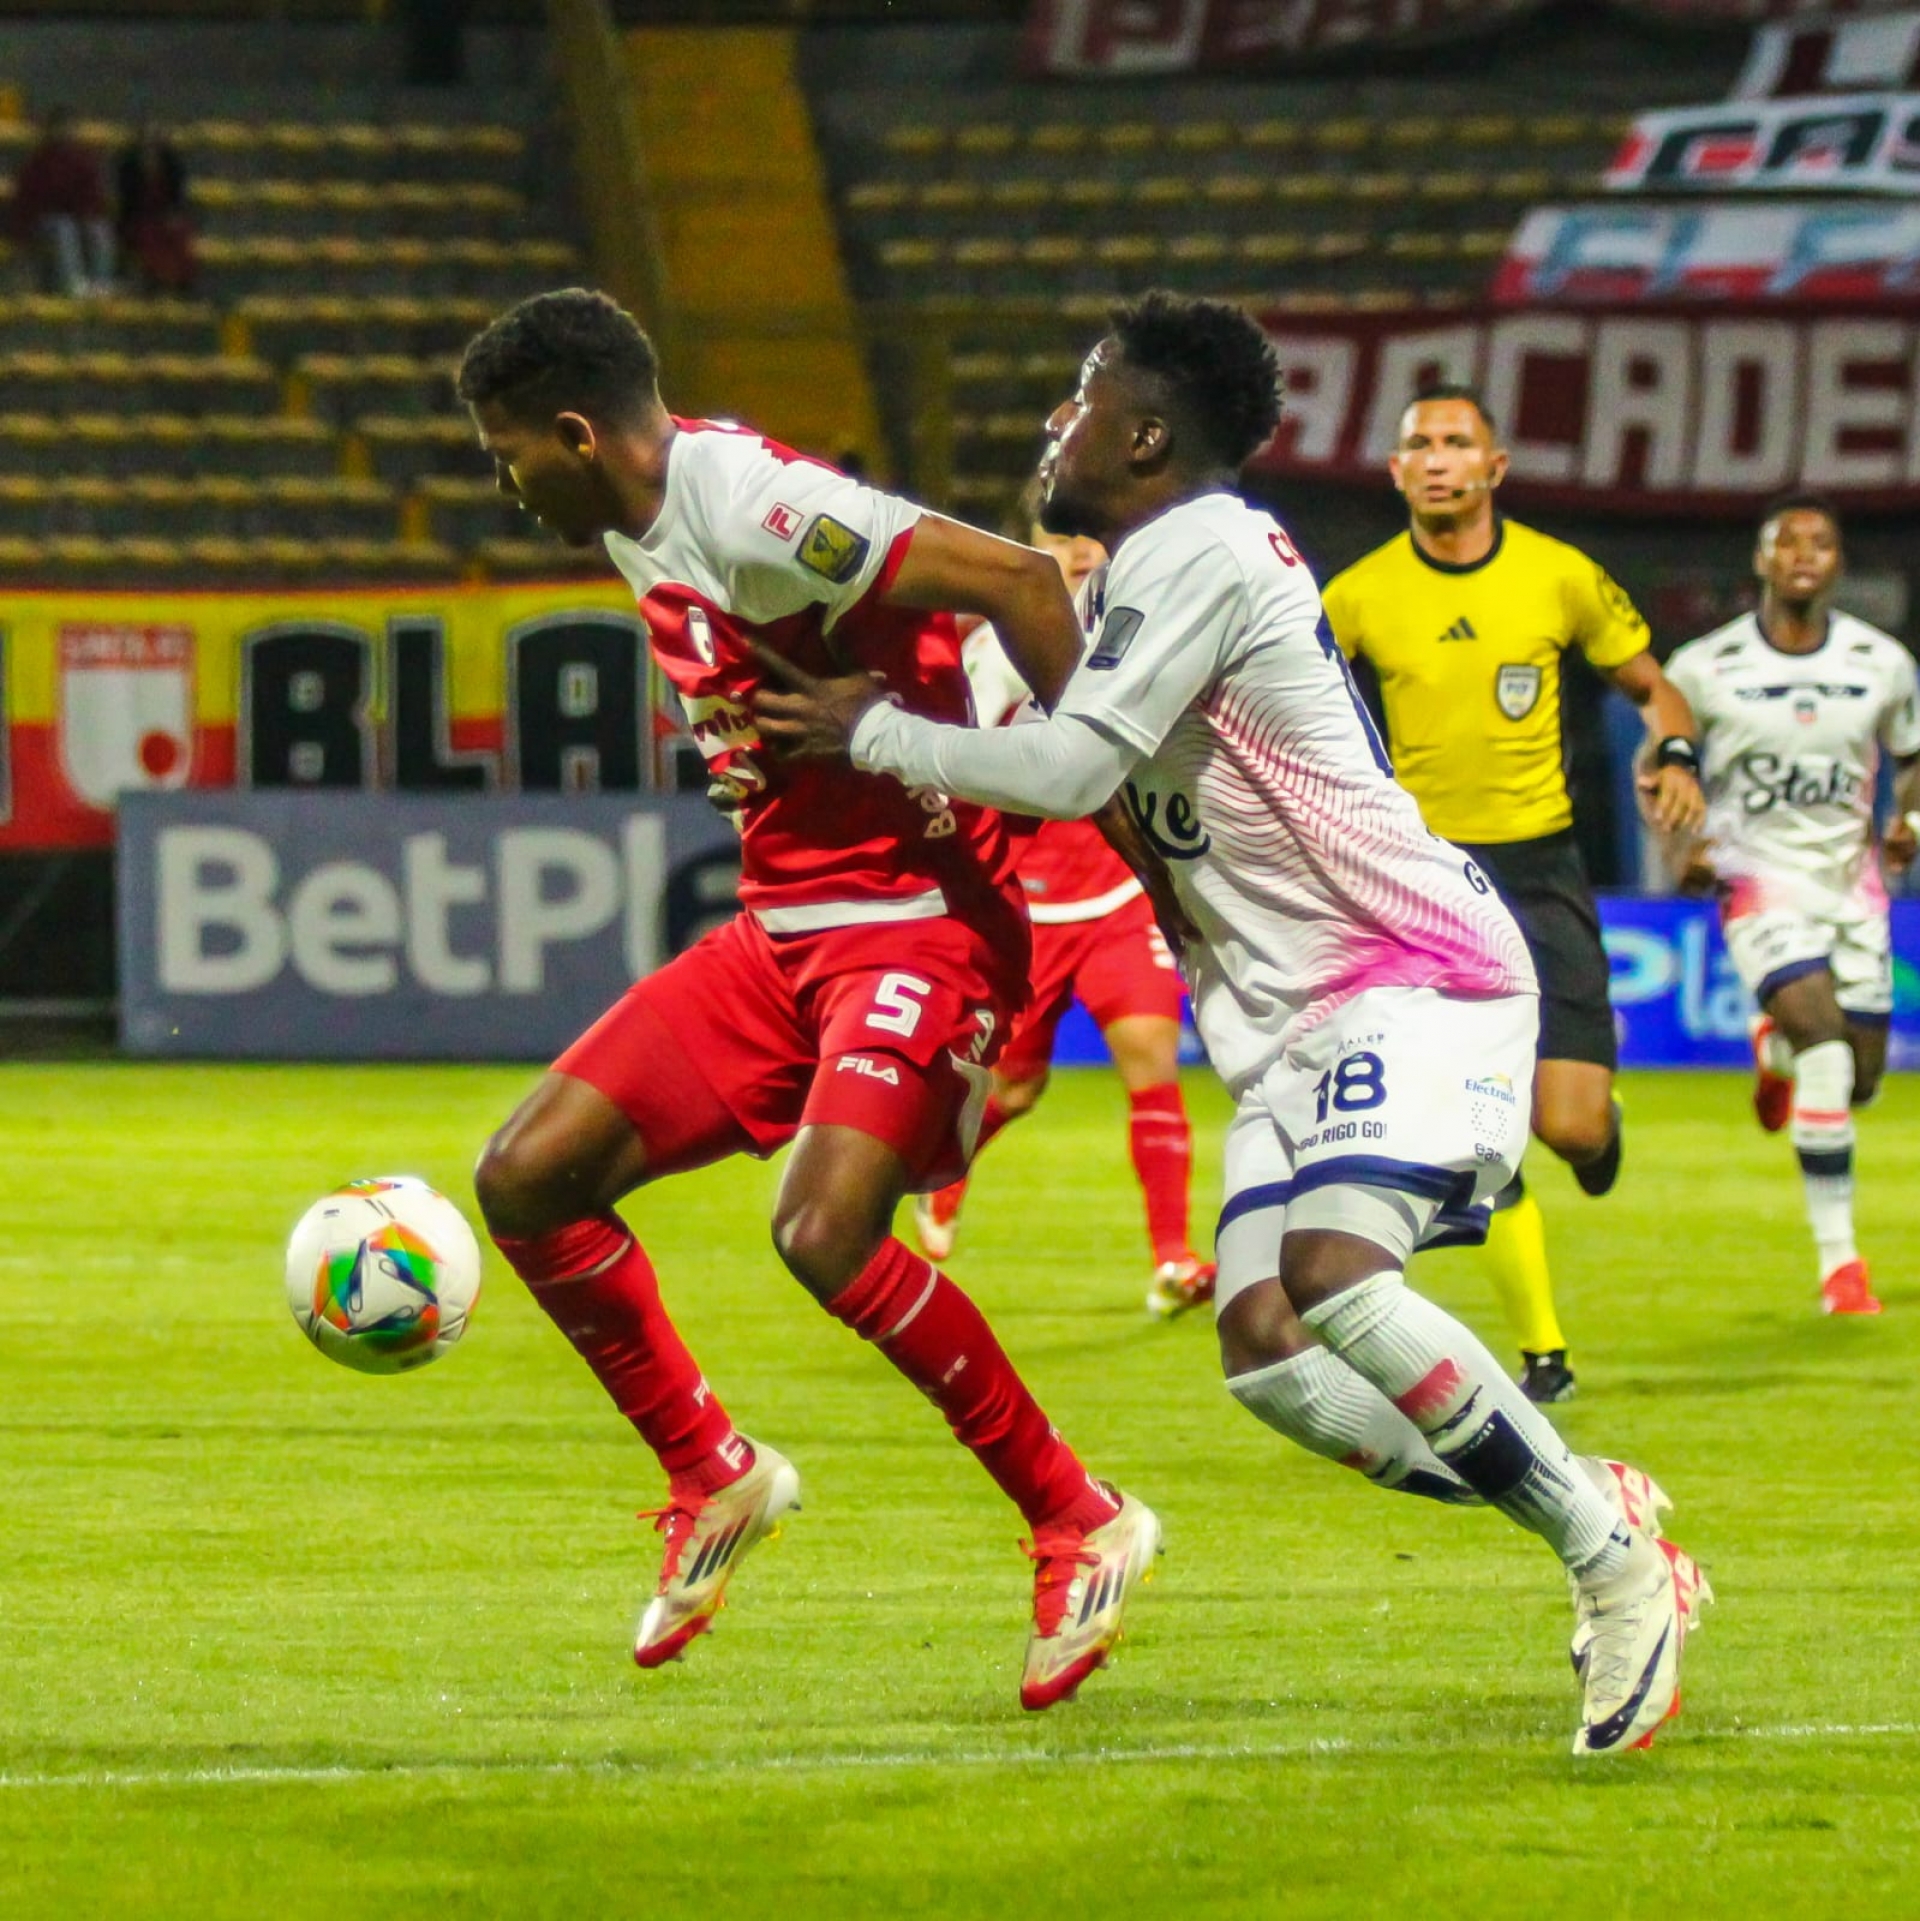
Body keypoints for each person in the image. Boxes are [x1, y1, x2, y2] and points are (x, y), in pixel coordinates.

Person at [755, 290, 1709, 1756]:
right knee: (1268, 1351)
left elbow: (1071, 771)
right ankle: (1585, 1494)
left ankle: (1615, 1568)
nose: (1057, 422)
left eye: (1084, 396)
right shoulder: (1125, 587)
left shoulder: (1207, 544)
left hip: (1410, 968)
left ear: (1146, 435)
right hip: (1283, 1022)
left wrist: (869, 733)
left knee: (1333, 1276)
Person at [452, 289, 1157, 1712]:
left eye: (504, 451)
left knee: (825, 1230)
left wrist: (1127, 805)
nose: (502, 481)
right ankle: (711, 1469)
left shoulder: (758, 506)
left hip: (923, 919)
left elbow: (1022, 583)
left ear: (577, 434)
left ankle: (1078, 1512)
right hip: (786, 931)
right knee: (526, 1179)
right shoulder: (634, 516)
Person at [1321, 387, 1706, 1405]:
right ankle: (1545, 1354)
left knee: (1569, 1128)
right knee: (1477, 1127)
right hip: (1427, 887)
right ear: (1396, 471)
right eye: (1419, 444)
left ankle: (1599, 1128)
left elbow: (1654, 686)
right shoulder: (1355, 596)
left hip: (1539, 874)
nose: (1437, 458)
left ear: (1494, 467)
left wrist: (1674, 752)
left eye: (1458, 442)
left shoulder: (1557, 574)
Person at [915, 485, 1214, 1316]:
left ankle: (1173, 1258)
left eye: (1090, 534)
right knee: (1015, 1087)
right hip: (1029, 898)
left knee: (1151, 1057)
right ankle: (945, 1174)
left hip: (1118, 890)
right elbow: (964, 760)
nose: (1080, 549)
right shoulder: (996, 645)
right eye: (1060, 535)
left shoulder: (1140, 628)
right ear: (1029, 547)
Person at [1664, 496, 1920, 1317]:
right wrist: (1681, 846)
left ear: (1838, 563)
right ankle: (1841, 1267)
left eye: (1821, 543)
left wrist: (1910, 822)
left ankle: (1771, 1049)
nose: (1804, 554)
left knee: (1862, 1079)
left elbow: (1913, 756)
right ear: (1762, 560)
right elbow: (1661, 763)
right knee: (1828, 1050)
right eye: (1787, 542)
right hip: (1756, 880)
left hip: (1852, 887)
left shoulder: (1882, 662)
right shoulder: (1705, 665)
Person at [10, 108, 114, 297]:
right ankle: (73, 285)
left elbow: (93, 199)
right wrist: (22, 236)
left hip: (77, 220)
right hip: (45, 225)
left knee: (99, 229)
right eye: (59, 129)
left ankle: (102, 285)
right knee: (63, 227)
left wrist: (85, 216)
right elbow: (26, 204)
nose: (63, 133)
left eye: (67, 128)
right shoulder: (37, 163)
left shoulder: (84, 161)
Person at [114, 126, 196, 294]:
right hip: (139, 217)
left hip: (165, 216)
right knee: (148, 236)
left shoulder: (171, 167)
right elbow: (128, 202)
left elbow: (177, 199)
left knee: (179, 233)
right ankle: (156, 279)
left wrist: (173, 215)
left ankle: (180, 281)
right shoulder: (129, 168)